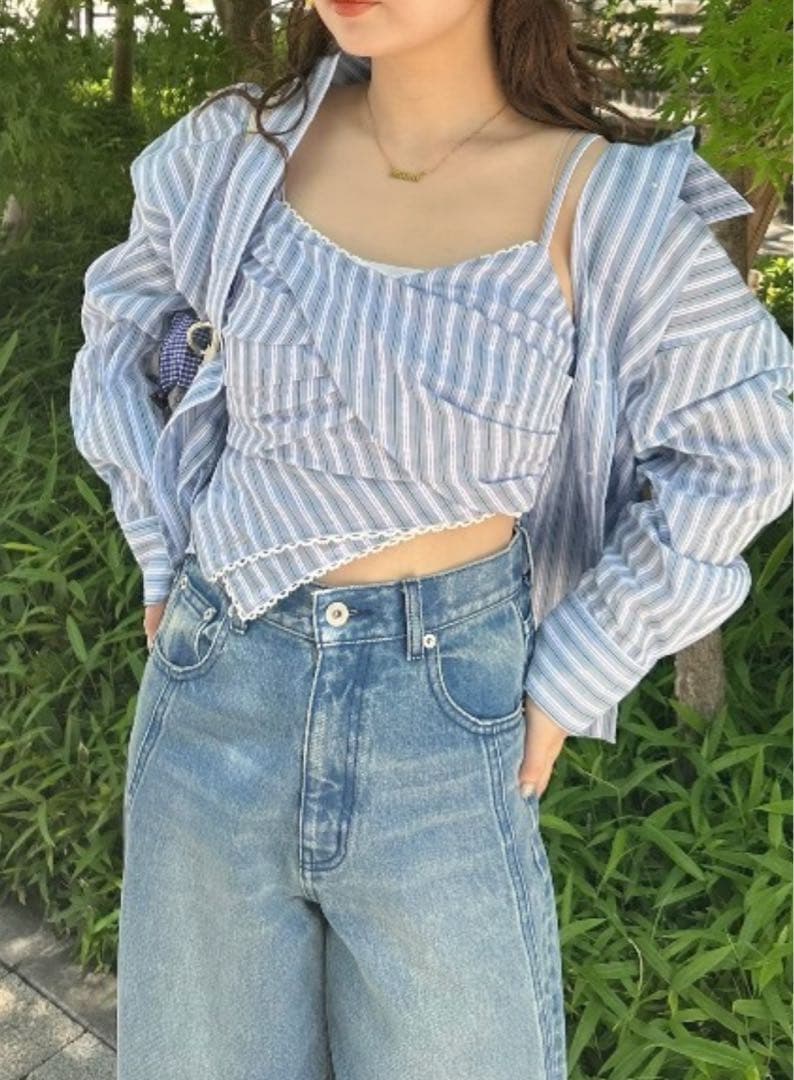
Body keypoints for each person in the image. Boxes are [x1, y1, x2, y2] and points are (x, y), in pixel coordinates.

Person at [68, 0, 793, 1077]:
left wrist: (576, 670)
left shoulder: (601, 207)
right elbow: (124, 327)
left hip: (444, 728)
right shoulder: (238, 149)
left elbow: (743, 447)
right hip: (213, 695)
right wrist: (161, 549)